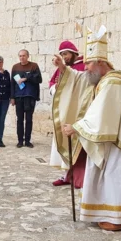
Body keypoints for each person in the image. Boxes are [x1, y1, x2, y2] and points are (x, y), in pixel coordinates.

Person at [54, 25, 121, 231]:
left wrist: (76, 127)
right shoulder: (106, 81)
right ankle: (118, 216)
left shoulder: (112, 84)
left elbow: (101, 116)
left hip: (116, 143)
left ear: (100, 62)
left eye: (89, 64)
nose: (87, 68)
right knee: (113, 177)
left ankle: (118, 219)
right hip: (115, 139)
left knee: (114, 176)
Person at [48, 41, 86, 187]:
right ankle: (66, 175)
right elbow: (52, 82)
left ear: (73, 53)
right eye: (62, 54)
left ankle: (78, 177)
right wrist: (55, 88)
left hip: (77, 111)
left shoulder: (83, 66)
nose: (65, 57)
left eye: (66, 54)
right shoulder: (63, 68)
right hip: (64, 111)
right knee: (63, 142)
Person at [10, 49, 42, 148]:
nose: (22, 57)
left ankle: (27, 141)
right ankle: (20, 141)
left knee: (29, 119)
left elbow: (39, 79)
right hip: (19, 97)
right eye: (20, 56)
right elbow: (12, 83)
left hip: (30, 97)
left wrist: (27, 78)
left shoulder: (34, 66)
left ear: (28, 56)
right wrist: (12, 97)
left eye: (24, 55)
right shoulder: (15, 67)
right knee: (19, 119)